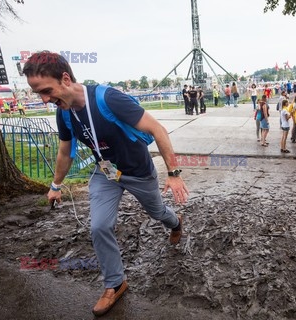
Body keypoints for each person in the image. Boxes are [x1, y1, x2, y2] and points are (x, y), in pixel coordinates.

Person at [22, 51, 189, 317]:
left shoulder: (107, 99)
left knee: (158, 212)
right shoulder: (63, 114)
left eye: (46, 91)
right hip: (106, 173)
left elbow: (157, 129)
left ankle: (176, 222)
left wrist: (173, 172)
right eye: (37, 93)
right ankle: (115, 283)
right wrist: (55, 185)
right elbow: (65, 153)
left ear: (65, 79)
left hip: (138, 171)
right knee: (99, 226)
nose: (44, 99)